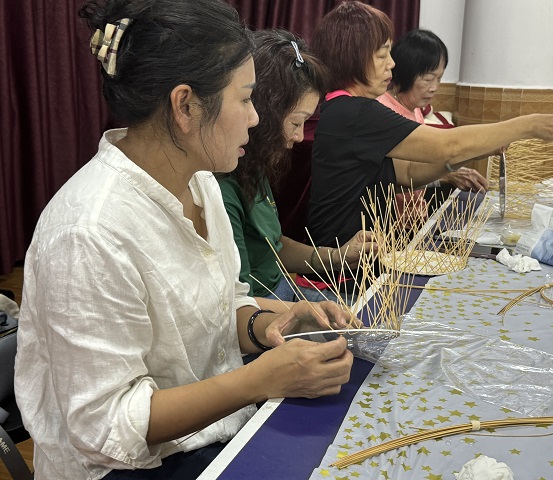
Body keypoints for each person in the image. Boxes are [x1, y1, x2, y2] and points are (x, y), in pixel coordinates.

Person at [14, 1, 354, 479]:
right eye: (245, 99)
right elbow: (107, 428)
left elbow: (218, 306)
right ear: (186, 105)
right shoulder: (88, 233)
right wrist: (258, 380)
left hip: (212, 434)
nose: (255, 118)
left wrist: (268, 323)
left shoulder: (202, 184)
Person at [307, 1, 553, 251]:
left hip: (362, 255)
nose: (392, 63)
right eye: (382, 55)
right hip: (341, 267)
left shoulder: (346, 108)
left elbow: (407, 174)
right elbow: (448, 146)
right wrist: (529, 125)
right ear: (354, 58)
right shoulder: (354, 111)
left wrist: (477, 151)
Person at [218, 29, 374, 304]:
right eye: (295, 122)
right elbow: (239, 305)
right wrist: (302, 313)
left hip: (283, 289)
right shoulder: (223, 187)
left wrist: (337, 257)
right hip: (263, 310)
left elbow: (272, 248)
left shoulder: (252, 166)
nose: (301, 136)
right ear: (263, 114)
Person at [377, 28, 488, 194]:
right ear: (405, 73)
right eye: (428, 79)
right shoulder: (383, 110)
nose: (434, 87)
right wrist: (446, 175)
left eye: (439, 78)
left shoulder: (415, 109)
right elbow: (397, 177)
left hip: (415, 209)